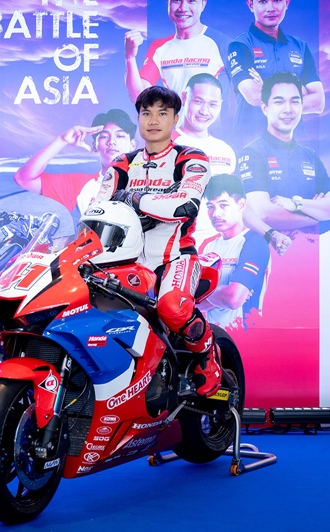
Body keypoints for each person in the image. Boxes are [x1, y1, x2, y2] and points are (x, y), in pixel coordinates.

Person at [98, 85, 222, 396]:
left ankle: (208, 355)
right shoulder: (121, 163)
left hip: (176, 257)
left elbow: (184, 205)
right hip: (124, 262)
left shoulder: (191, 157)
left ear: (175, 118)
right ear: (138, 118)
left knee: (172, 308)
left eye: (162, 113)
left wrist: (133, 199)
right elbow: (97, 209)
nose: (153, 120)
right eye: (146, 113)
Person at [238, 72, 330, 254]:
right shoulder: (253, 152)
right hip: (270, 254)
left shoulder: (309, 155)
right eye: (279, 102)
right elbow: (263, 212)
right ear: (264, 107)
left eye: (295, 102)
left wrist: (297, 204)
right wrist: (313, 217)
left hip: (311, 255)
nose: (288, 109)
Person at [13, 109, 136, 231]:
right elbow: (24, 179)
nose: (112, 142)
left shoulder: (145, 182)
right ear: (95, 145)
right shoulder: (79, 185)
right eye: (104, 136)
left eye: (120, 136)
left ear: (132, 145)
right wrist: (62, 140)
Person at [124, 0, 232, 136]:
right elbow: (138, 96)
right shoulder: (160, 48)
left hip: (215, 137)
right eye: (176, 1)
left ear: (203, 4)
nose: (183, 8)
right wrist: (130, 57)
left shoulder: (223, 44)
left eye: (191, 1)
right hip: (177, 137)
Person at [228, 0, 324, 146]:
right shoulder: (240, 45)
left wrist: (265, 86)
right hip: (250, 142)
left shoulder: (300, 47)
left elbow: (318, 102)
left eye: (277, 0)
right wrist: (300, 91)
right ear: (251, 5)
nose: (270, 8)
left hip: (296, 144)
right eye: (263, 1)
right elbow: (253, 96)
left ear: (287, 3)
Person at [198, 174, 270, 330]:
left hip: (245, 334)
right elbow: (195, 303)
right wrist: (222, 294)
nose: (216, 214)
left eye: (223, 205)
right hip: (213, 336)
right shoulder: (208, 246)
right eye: (210, 207)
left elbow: (233, 299)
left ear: (241, 205)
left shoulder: (254, 243)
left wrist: (205, 293)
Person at [173, 73, 238, 245]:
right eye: (198, 101)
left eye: (212, 104)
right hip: (176, 245)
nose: (204, 111)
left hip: (217, 245)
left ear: (220, 105)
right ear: (184, 98)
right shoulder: (164, 146)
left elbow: (232, 203)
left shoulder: (226, 151)